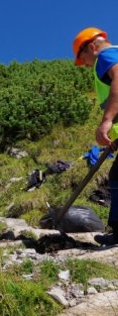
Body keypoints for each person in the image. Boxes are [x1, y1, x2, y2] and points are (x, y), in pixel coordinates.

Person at [73, 27, 118, 245]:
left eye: (84, 59)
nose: (87, 65)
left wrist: (107, 121)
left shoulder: (105, 56)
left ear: (91, 47)